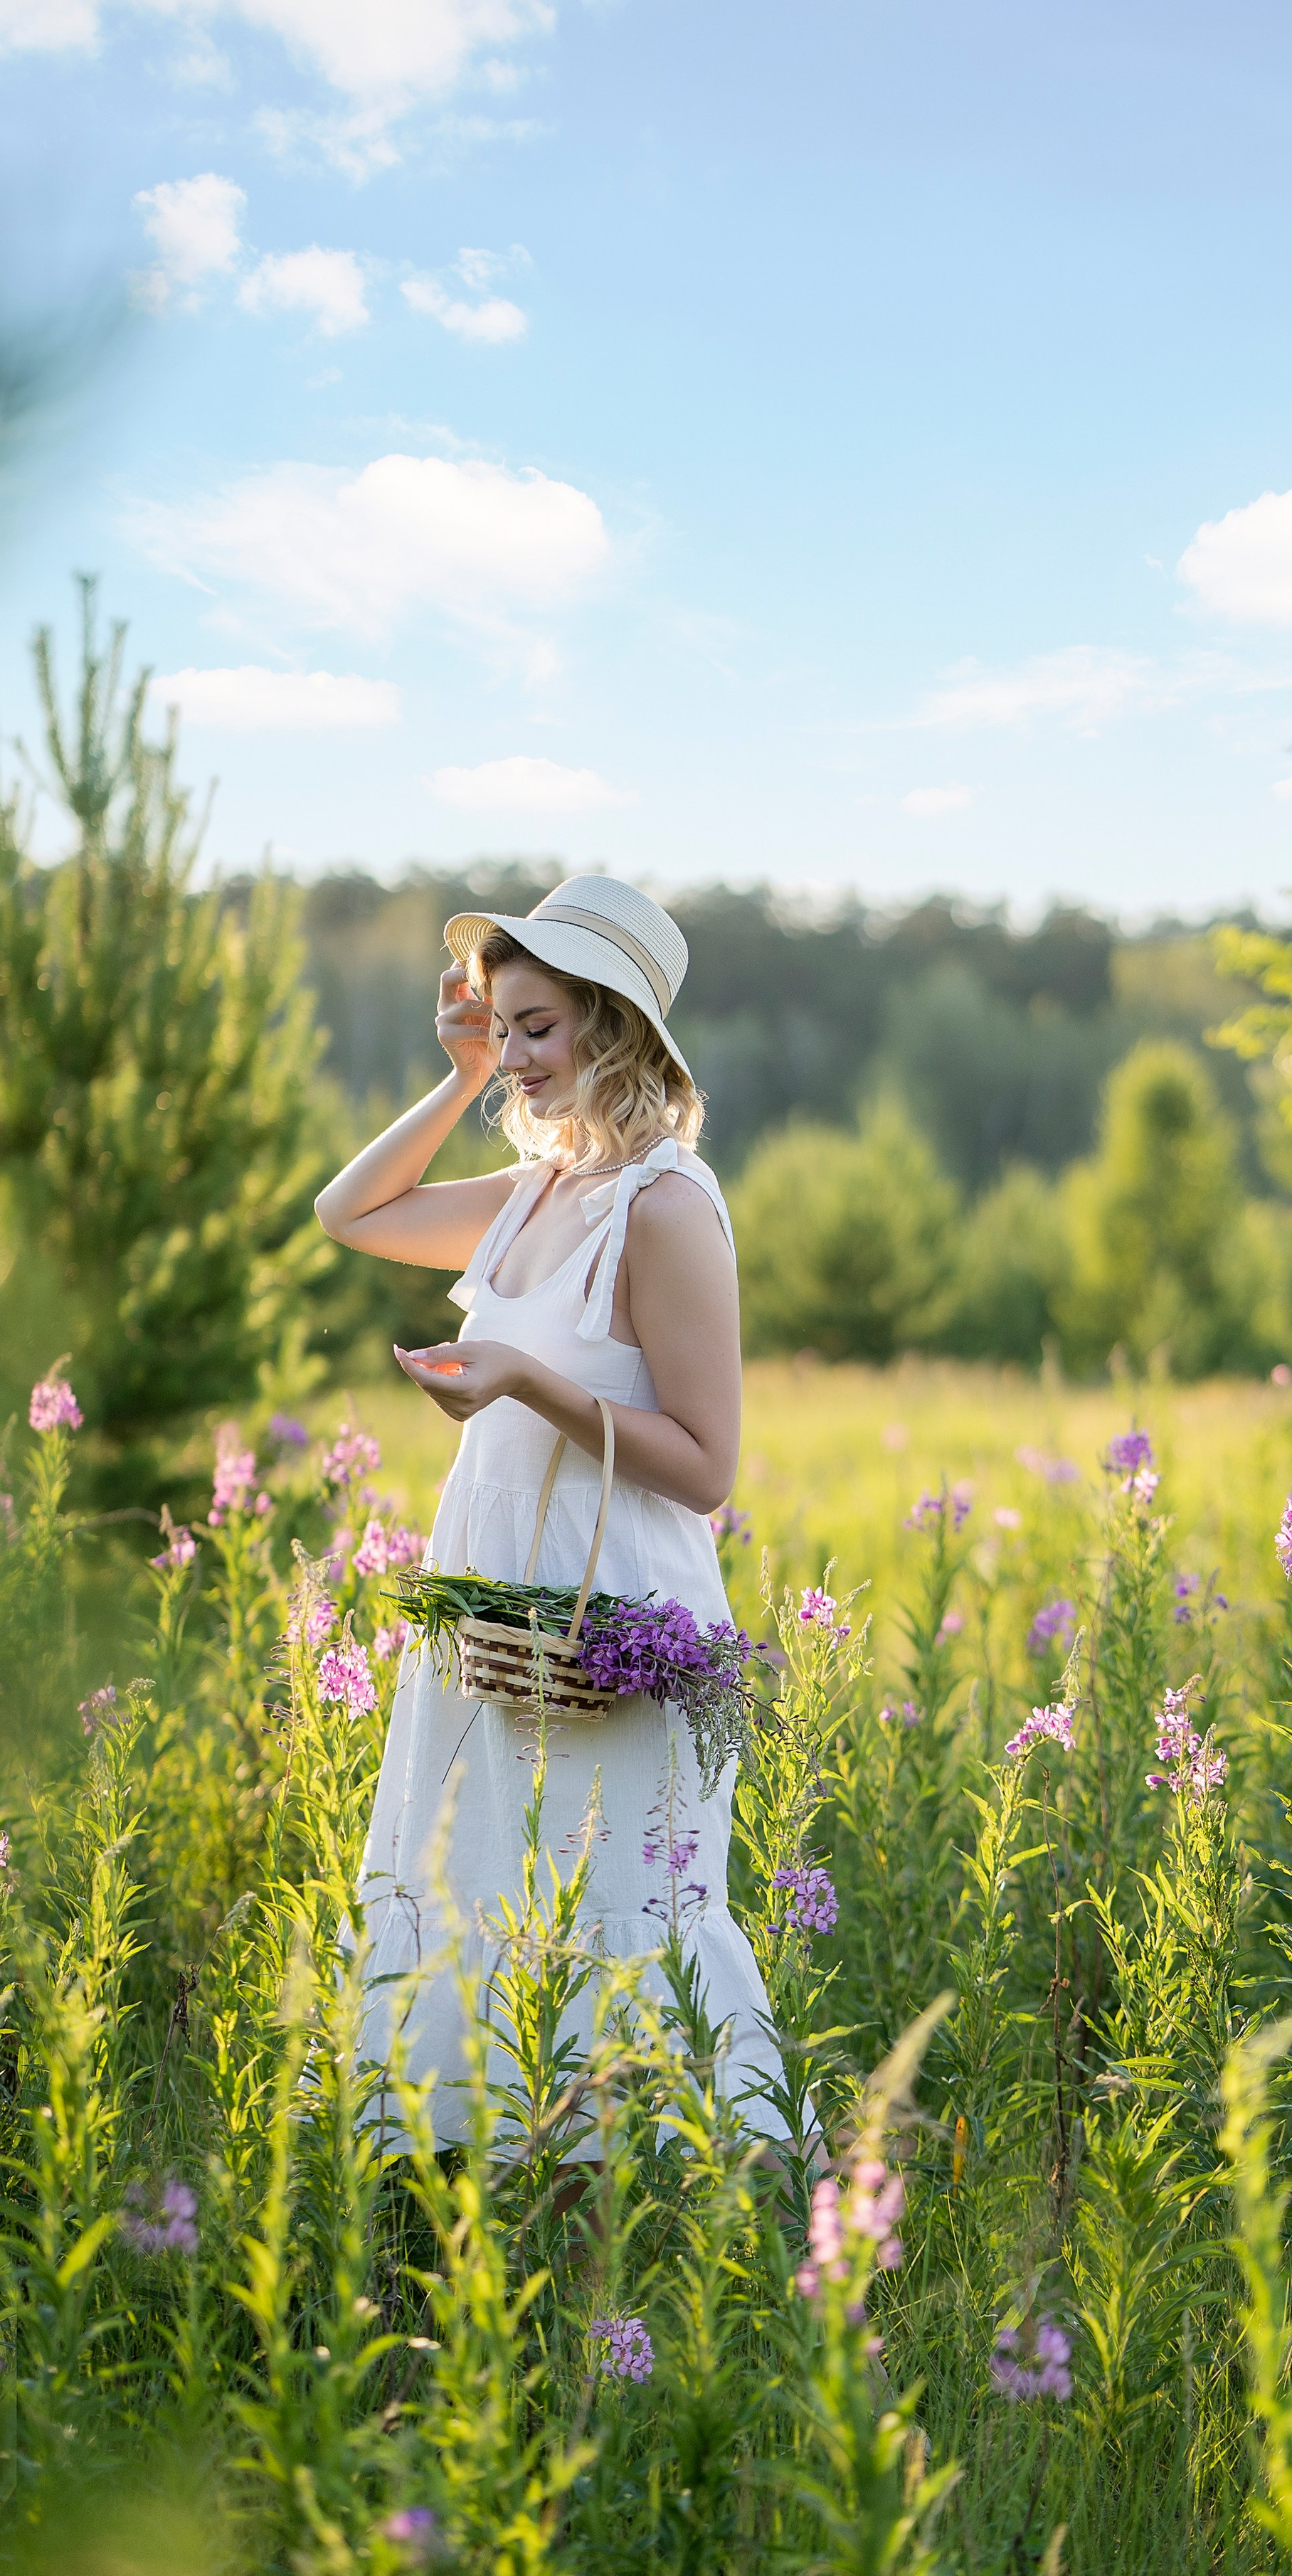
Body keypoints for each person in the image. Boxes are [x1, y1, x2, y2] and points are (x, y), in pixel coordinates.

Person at [314, 873, 786, 2144]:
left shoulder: (668, 1209)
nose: (518, 1054)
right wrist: (462, 1077)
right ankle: (514, 2231)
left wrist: (528, 1380)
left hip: (613, 1618)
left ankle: (653, 2259)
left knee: (613, 1917)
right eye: (502, 1023)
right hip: (497, 1617)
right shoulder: (531, 1195)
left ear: (616, 1030)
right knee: (485, 1890)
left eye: (539, 1028)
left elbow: (705, 1464)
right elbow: (347, 1212)